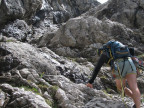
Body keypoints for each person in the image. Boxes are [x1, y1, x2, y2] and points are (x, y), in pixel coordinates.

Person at [86, 42, 141, 108]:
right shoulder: (121, 49)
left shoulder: (104, 54)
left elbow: (97, 68)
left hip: (119, 66)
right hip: (130, 63)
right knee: (134, 87)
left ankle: (136, 99)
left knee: (121, 88)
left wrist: (90, 82)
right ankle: (138, 104)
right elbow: (132, 50)